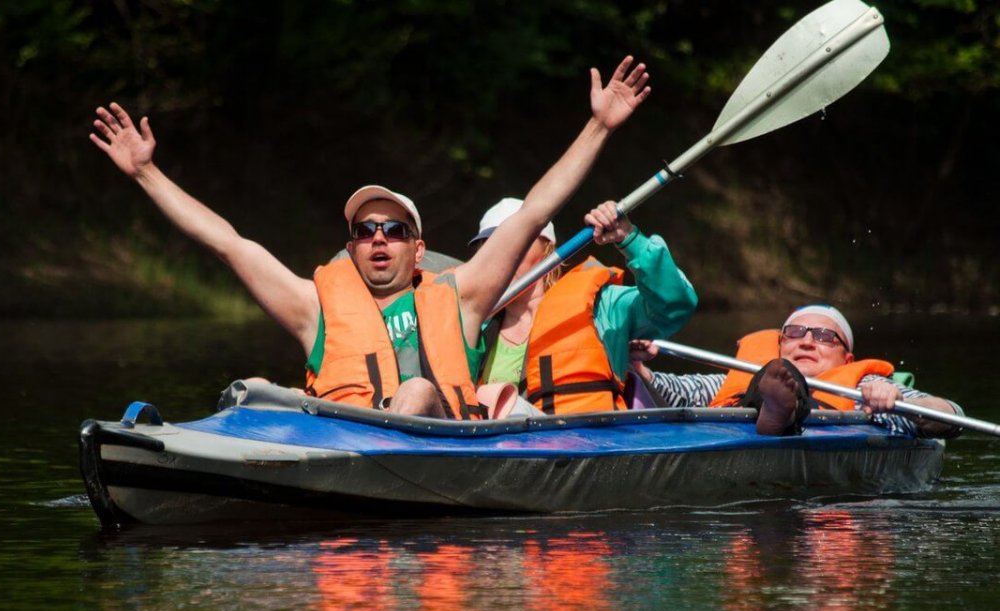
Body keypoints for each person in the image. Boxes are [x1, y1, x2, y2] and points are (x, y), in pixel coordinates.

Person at [90, 58, 651, 419]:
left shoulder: (463, 296)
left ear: (417, 248)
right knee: (254, 388)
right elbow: (227, 242)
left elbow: (533, 213)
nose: (378, 238)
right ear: (353, 245)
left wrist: (599, 126)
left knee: (417, 393)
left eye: (394, 230)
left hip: (433, 446)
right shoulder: (316, 308)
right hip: (340, 446)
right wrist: (146, 173)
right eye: (365, 231)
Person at [472, 197, 697, 415]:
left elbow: (674, 305)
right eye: (488, 246)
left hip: (584, 446)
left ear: (547, 249)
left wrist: (630, 240)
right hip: (501, 448)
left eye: (511, 241)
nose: (497, 254)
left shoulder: (603, 308)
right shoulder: (473, 326)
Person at [628, 304, 963, 437]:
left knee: (775, 388)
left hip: (825, 433)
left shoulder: (866, 383)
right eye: (794, 333)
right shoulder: (742, 376)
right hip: (756, 413)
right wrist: (637, 364)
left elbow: (952, 415)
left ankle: (783, 413)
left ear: (847, 359)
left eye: (823, 337)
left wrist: (895, 398)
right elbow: (668, 391)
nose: (806, 342)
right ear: (781, 346)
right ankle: (776, 410)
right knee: (763, 384)